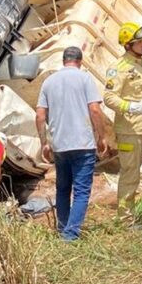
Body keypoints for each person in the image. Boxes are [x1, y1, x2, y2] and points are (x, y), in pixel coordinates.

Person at [36, 46, 108, 241]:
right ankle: (70, 234)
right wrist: (102, 137)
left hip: (60, 144)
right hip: (83, 143)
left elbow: (40, 115)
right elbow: (94, 109)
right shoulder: (85, 79)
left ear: (63, 61)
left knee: (63, 188)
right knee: (82, 191)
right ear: (80, 61)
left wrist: (44, 142)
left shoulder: (49, 82)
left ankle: (62, 228)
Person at [102, 22, 142, 223]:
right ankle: (126, 219)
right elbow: (109, 98)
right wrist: (133, 107)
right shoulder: (118, 69)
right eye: (139, 42)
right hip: (131, 130)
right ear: (128, 45)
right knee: (131, 174)